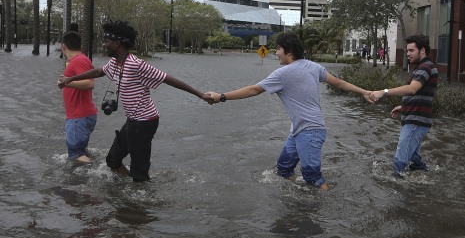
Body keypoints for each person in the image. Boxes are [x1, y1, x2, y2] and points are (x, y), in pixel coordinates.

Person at [204, 31, 377, 190]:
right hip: (299, 131)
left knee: (313, 177)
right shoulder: (313, 66)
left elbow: (254, 90)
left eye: (278, 49)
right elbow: (339, 83)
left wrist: (222, 96)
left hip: (310, 131)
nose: (276, 52)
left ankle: (324, 212)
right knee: (284, 170)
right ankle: (296, 204)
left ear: (289, 51)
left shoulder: (283, 73)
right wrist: (364, 92)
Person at [58, 21, 207, 182]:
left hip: (145, 122)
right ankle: (131, 192)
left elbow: (168, 79)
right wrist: (70, 79)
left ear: (117, 43)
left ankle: (141, 193)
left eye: (106, 41)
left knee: (139, 172)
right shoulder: (115, 63)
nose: (103, 44)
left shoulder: (137, 65)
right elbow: (99, 71)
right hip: (132, 121)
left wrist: (200, 94)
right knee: (112, 161)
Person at [368, 34, 438, 177]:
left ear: (422, 50)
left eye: (411, 51)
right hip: (415, 118)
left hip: (415, 122)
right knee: (414, 160)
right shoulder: (423, 67)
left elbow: (412, 89)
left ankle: (397, 190)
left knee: (400, 161)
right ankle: (431, 180)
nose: (408, 54)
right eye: (407, 51)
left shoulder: (425, 67)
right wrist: (403, 107)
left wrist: (384, 91)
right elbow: (421, 93)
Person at [57, 31, 98, 163]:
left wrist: (66, 82)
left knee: (75, 155)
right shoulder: (75, 61)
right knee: (80, 152)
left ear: (63, 46)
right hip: (78, 116)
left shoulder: (80, 60)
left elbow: (90, 84)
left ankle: (103, 174)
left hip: (79, 117)